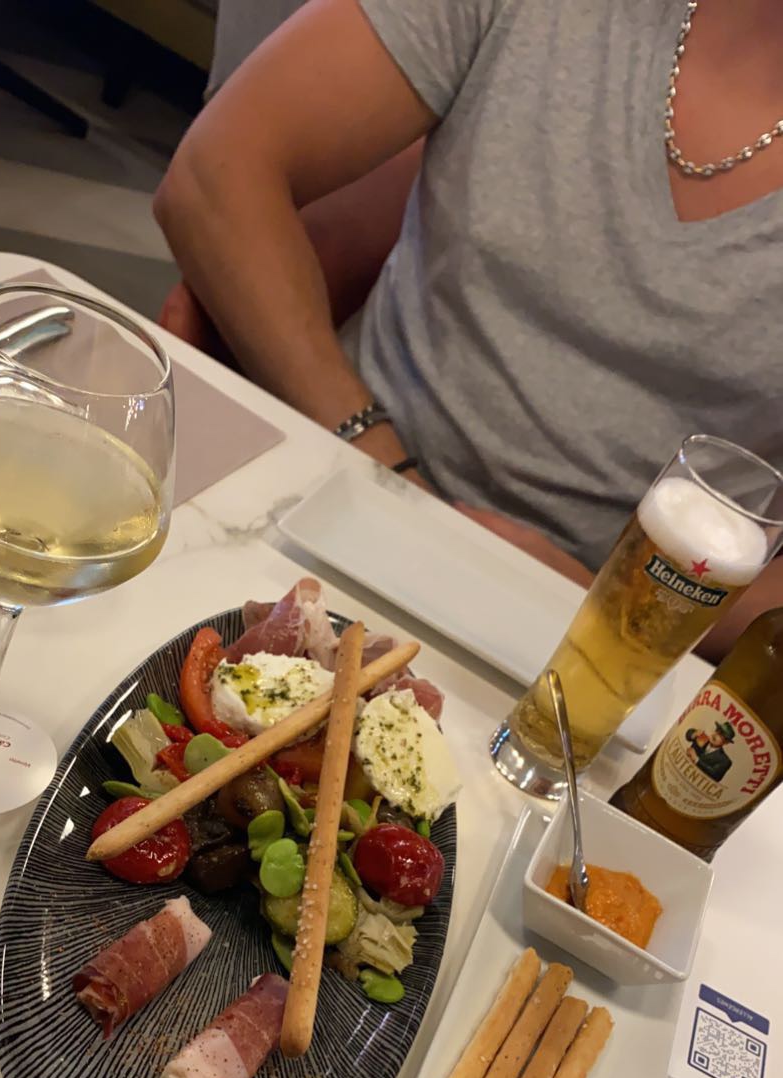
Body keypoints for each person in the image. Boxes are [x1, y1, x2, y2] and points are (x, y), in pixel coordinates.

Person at [154, 0, 783, 656]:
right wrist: (382, 470)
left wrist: (624, 606)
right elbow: (212, 174)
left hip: (592, 646)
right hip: (329, 492)